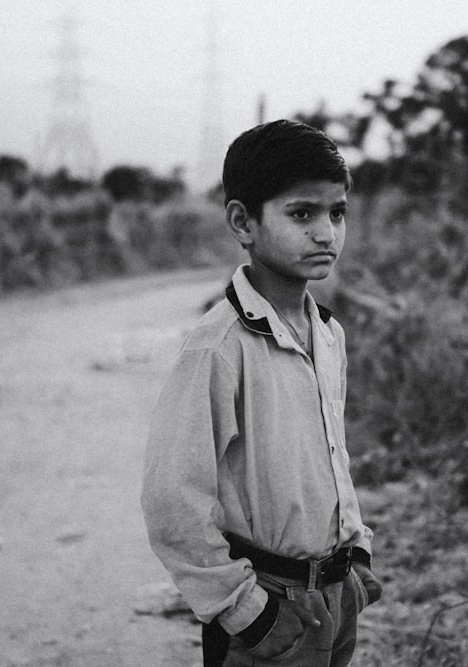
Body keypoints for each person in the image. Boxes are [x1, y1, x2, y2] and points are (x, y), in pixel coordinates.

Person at [141, 119, 382, 666]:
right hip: (268, 603)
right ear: (242, 222)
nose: (326, 233)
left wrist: (356, 550)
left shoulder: (328, 332)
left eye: (337, 212)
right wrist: (243, 607)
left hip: (335, 593)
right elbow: (172, 497)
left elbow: (328, 457)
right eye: (303, 213)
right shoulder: (218, 347)